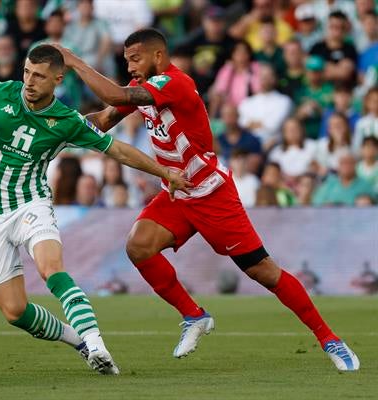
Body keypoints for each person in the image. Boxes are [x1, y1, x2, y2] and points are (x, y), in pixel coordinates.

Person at [55, 28, 360, 371]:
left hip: (212, 195)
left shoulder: (175, 83)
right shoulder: (146, 92)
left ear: (158, 56)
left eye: (135, 59)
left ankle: (330, 339)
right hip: (178, 192)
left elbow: (117, 95)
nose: (130, 67)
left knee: (265, 273)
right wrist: (58, 127)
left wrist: (74, 61)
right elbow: (105, 118)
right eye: (126, 61)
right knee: (138, 246)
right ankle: (194, 315)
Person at [0, 44, 192, 376]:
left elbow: (117, 150)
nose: (30, 82)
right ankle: (77, 340)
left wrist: (164, 173)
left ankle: (96, 344)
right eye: (27, 73)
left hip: (29, 202)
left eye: (39, 76)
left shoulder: (66, 121)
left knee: (51, 269)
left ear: (58, 80)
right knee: (15, 311)